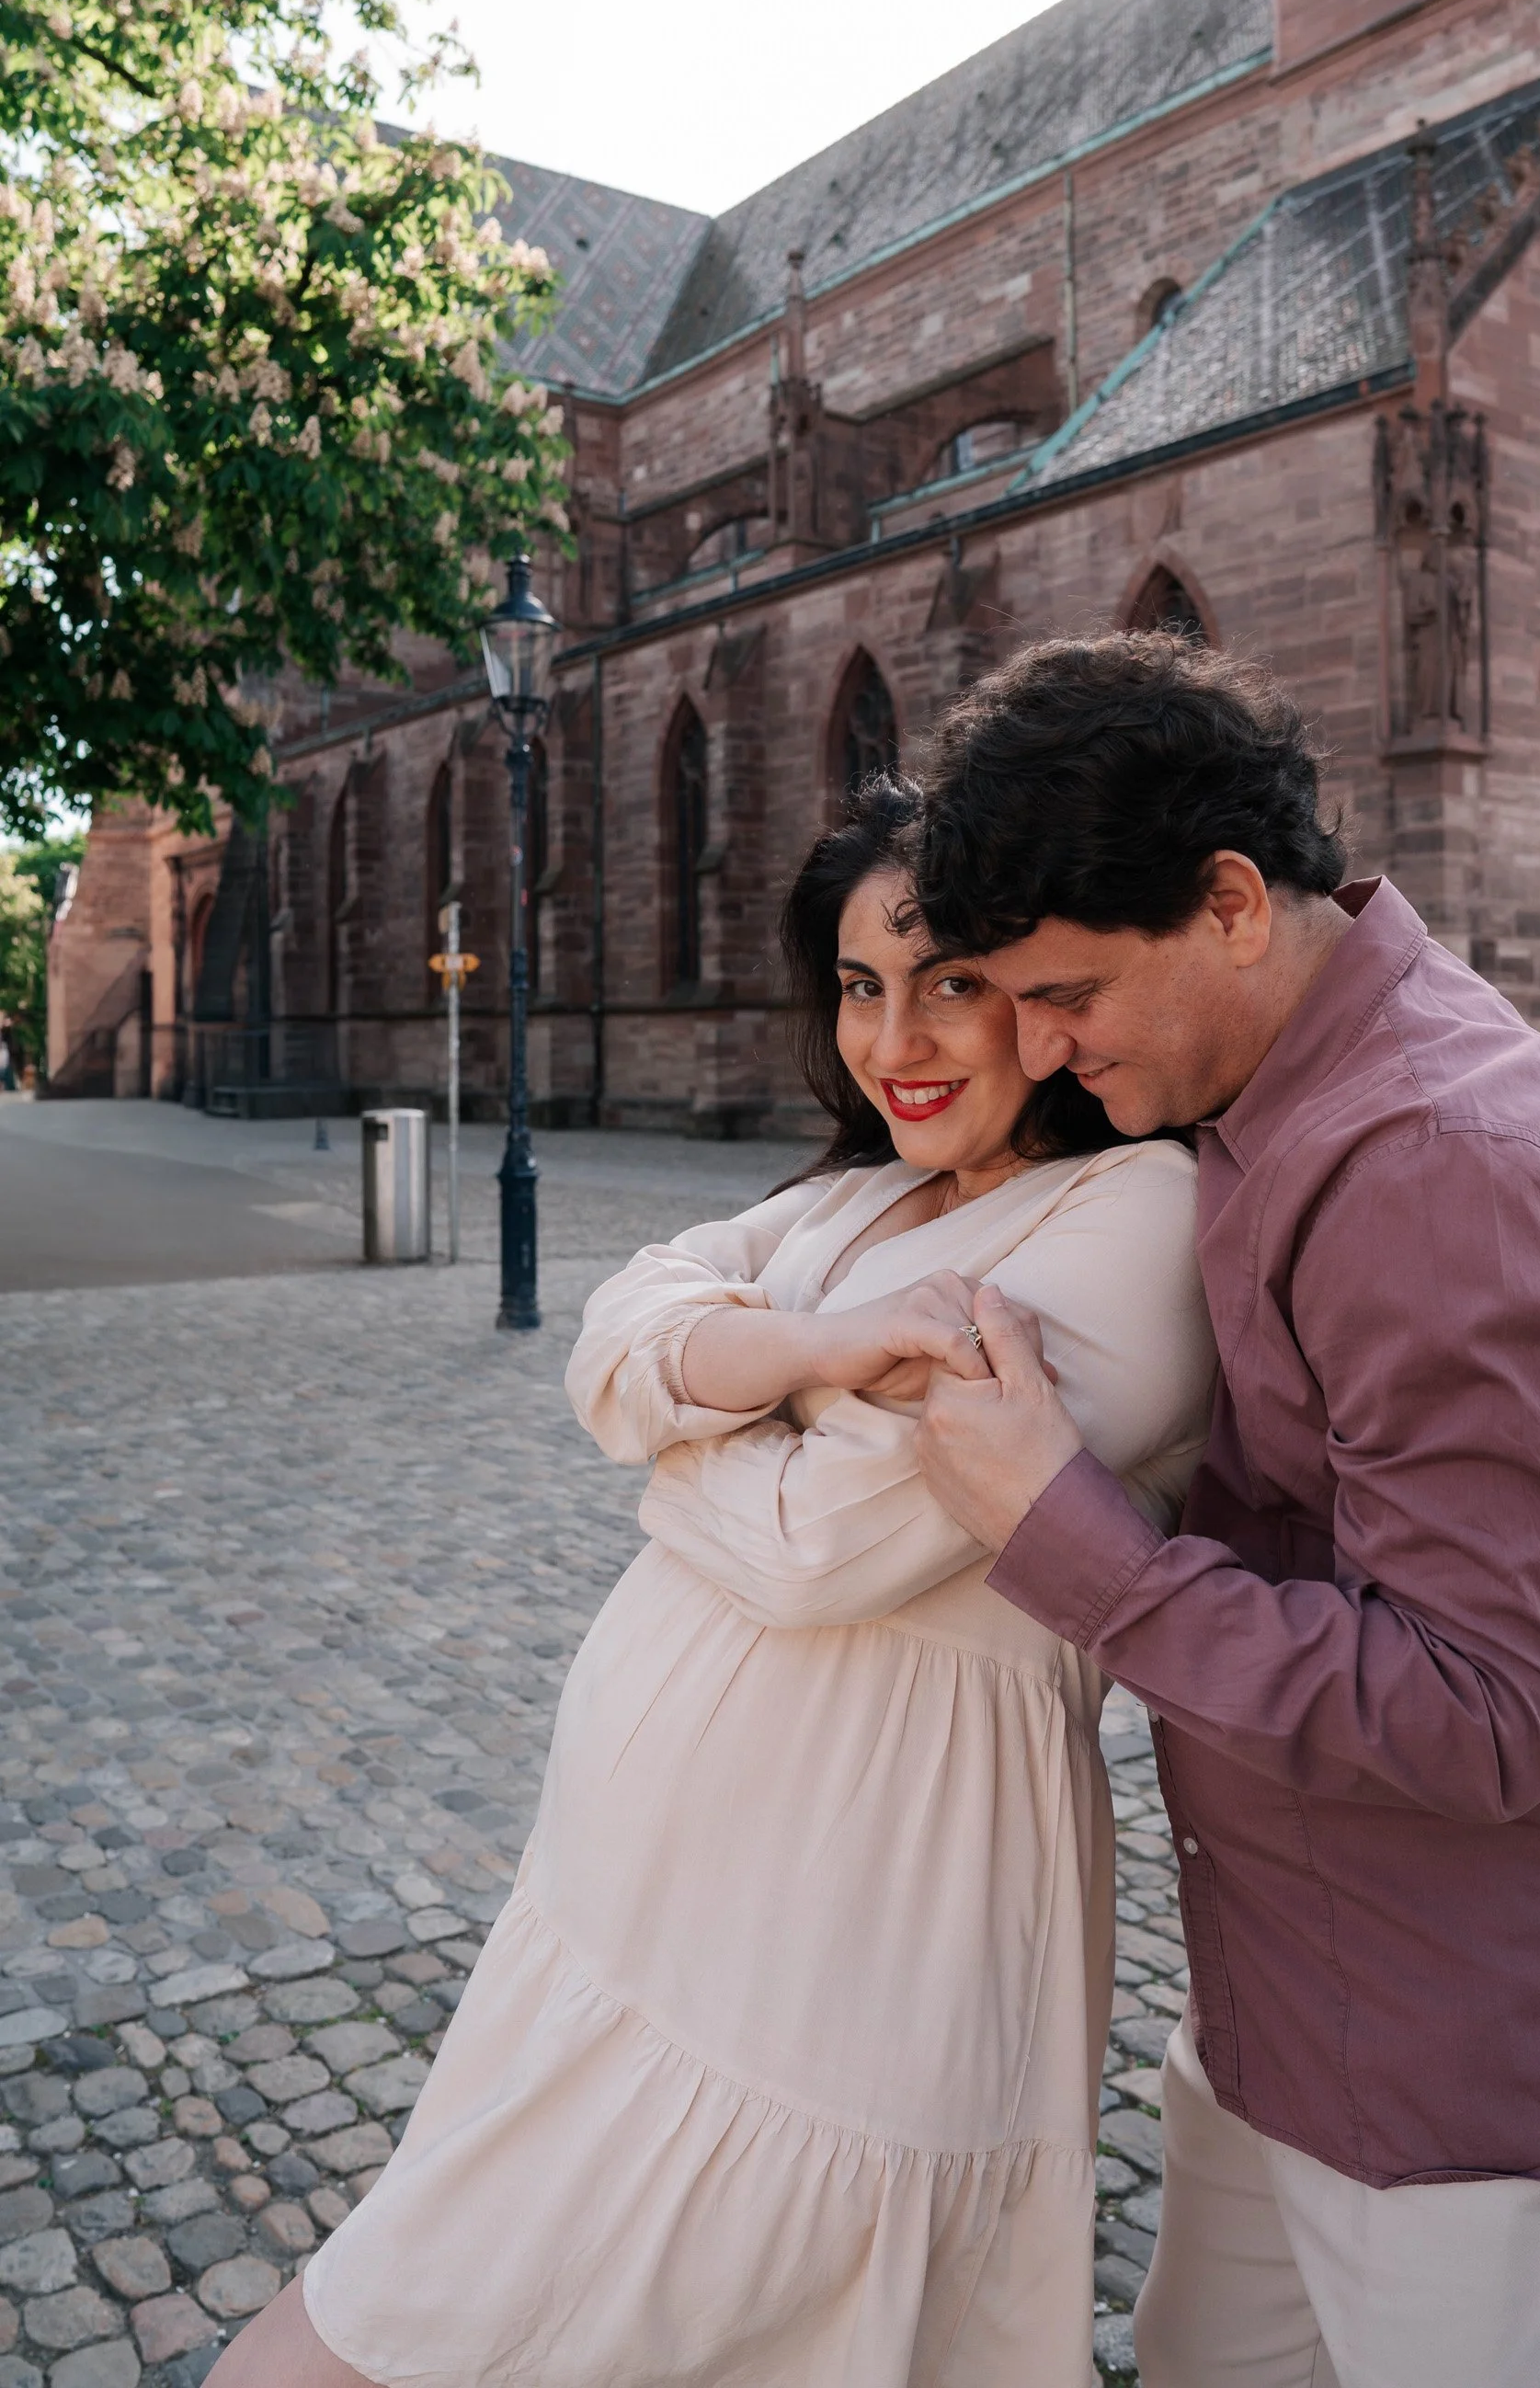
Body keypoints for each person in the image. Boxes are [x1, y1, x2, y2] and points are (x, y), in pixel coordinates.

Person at [216, 773, 1216, 2388]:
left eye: (949, 982)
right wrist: (813, 1357)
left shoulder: (1139, 1213)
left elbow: (819, 1546)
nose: (893, 1042)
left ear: (1041, 992)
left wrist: (686, 1414)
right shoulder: (860, 1193)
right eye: (857, 987)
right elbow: (620, 1325)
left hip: (856, 1925)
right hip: (621, 1916)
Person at [906, 633, 1540, 2388]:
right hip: (1300, 2020)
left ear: (1233, 901)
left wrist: (1065, 1531)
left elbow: (1480, 1720)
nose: (1033, 1043)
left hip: (1527, 2084)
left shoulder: (1446, 1166)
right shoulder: (1267, 1086)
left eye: (1068, 992)